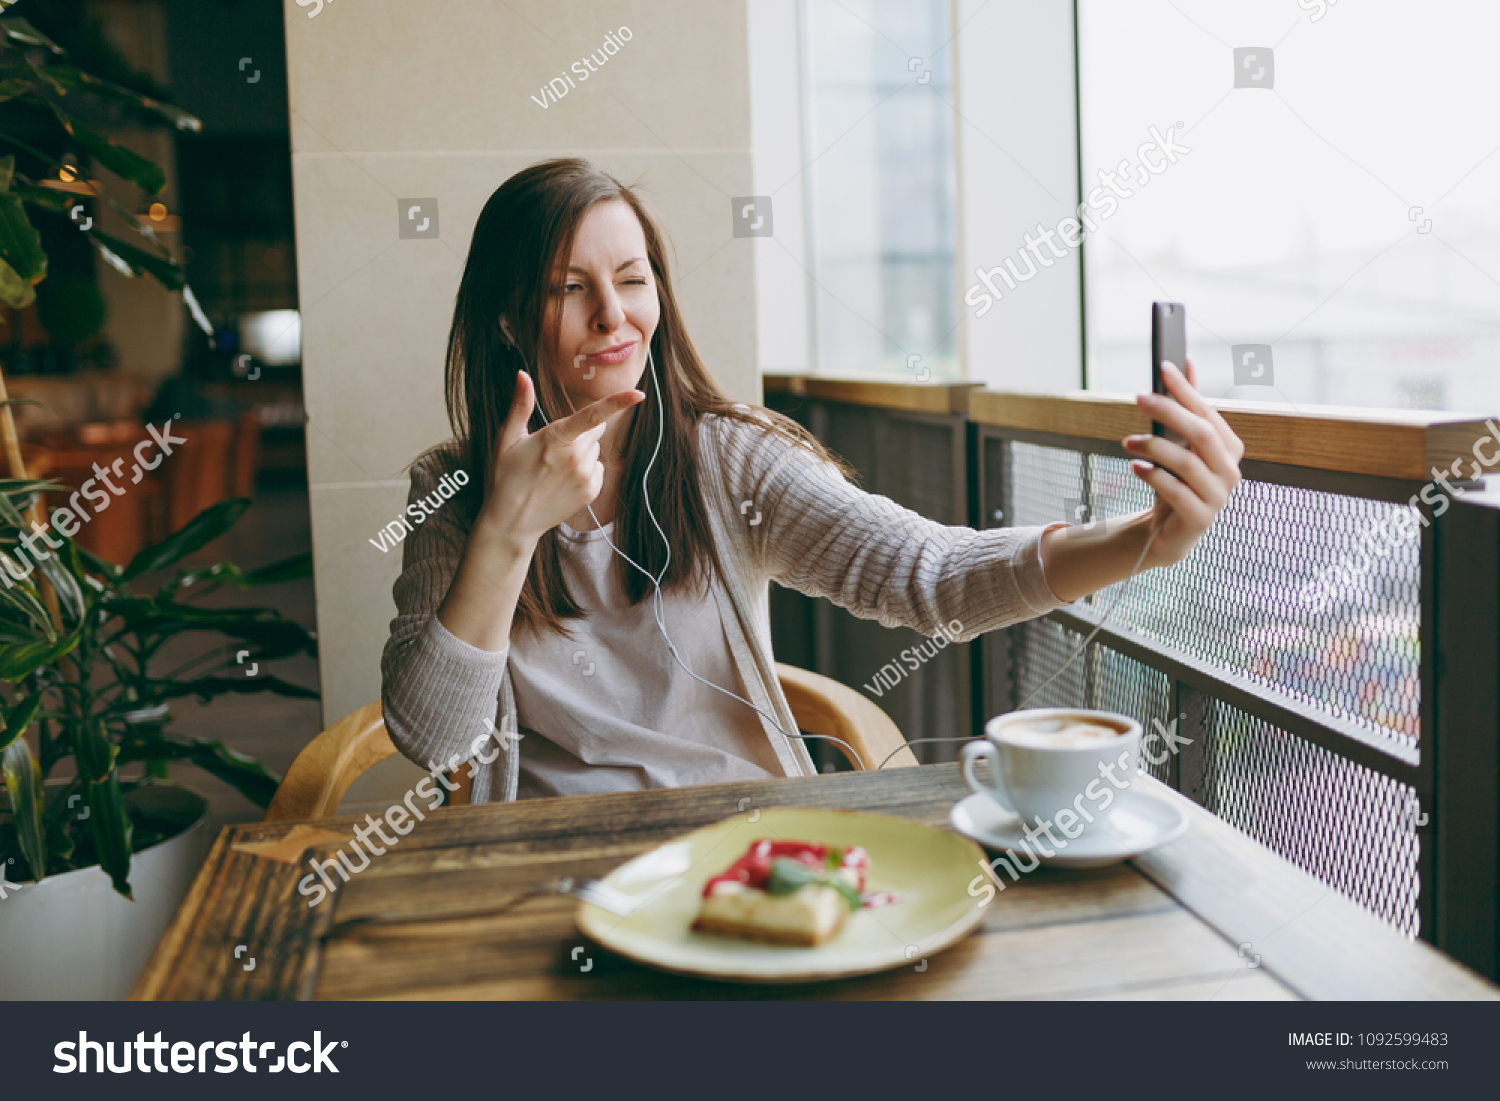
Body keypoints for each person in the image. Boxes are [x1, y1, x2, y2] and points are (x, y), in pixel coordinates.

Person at [380, 158, 1244, 802]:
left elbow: (931, 577)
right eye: (569, 289)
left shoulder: (725, 457)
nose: (613, 315)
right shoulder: (452, 493)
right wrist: (506, 529)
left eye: (633, 279)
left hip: (746, 842)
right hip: (554, 874)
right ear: (503, 320)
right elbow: (433, 738)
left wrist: (1143, 541)